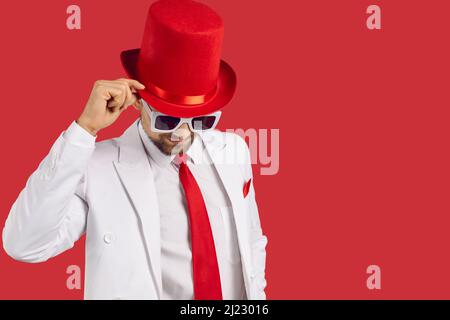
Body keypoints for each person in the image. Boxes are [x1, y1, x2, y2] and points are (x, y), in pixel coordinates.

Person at [2, 0, 267, 300]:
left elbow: (251, 243)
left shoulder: (233, 152)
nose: (182, 133)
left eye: (200, 120)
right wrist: (83, 130)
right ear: (139, 100)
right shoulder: (96, 168)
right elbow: (24, 244)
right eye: (167, 119)